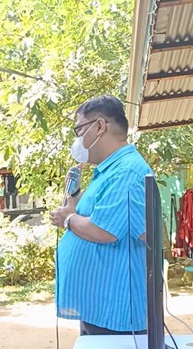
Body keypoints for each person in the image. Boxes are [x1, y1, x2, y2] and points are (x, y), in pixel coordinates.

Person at [50, 95, 152, 336]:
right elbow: (98, 214)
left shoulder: (126, 171)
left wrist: (68, 219)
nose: (77, 139)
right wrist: (73, 195)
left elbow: (103, 230)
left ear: (99, 126)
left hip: (114, 311)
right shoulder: (110, 171)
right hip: (100, 305)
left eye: (79, 129)